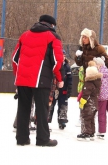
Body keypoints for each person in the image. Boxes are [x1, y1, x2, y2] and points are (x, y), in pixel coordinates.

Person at [12, 14, 64, 147]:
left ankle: (22, 138)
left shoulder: (25, 35)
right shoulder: (53, 37)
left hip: (22, 79)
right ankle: (43, 139)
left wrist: (18, 76)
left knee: (23, 108)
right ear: (52, 25)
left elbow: (14, 58)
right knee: (42, 109)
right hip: (41, 79)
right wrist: (59, 78)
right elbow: (57, 61)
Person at [77, 60, 102, 141]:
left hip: (89, 104)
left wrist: (82, 103)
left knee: (86, 118)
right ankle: (91, 132)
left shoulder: (88, 84)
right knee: (91, 119)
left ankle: (86, 133)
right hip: (95, 104)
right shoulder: (97, 83)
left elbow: (85, 94)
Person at [48, 50, 72, 130]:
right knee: (50, 104)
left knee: (63, 105)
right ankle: (47, 119)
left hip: (63, 89)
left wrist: (69, 88)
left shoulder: (67, 66)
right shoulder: (54, 65)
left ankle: (62, 120)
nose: (63, 57)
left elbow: (70, 79)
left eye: (64, 56)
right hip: (53, 88)